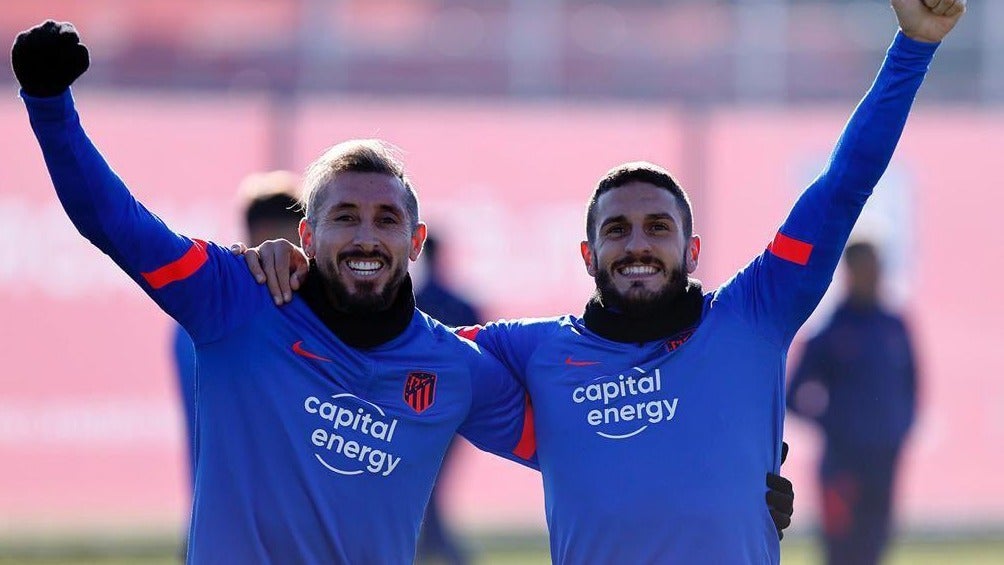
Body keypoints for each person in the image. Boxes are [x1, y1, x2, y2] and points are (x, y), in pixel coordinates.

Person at [244, 1, 963, 562]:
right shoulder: (528, 355)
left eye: (657, 228)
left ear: (694, 248)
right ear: (587, 254)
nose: (638, 245)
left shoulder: (754, 314)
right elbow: (385, 351)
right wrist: (306, 282)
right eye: (617, 231)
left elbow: (843, 186)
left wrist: (914, 47)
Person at [12, 24, 537, 562]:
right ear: (307, 235)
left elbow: (580, 437)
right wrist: (51, 108)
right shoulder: (234, 298)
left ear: (415, 242)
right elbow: (116, 223)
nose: (365, 237)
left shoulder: (455, 366)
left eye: (386, 220)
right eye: (344, 217)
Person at [787, 241, 918, 565]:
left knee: (874, 546)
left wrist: (898, 429)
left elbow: (912, 386)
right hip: (841, 465)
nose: (871, 276)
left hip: (883, 460)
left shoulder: (894, 326)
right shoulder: (831, 331)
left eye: (876, 268)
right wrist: (833, 423)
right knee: (842, 550)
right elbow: (793, 395)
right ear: (849, 272)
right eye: (864, 268)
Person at [173, 171, 303, 489]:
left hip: (219, 502)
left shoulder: (209, 303)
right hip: (248, 500)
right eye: (298, 232)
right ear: (268, 231)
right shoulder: (235, 305)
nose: (303, 246)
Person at [414, 236, 481, 565]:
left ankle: (443, 554)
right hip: (455, 411)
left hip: (422, 412)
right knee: (428, 490)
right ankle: (438, 552)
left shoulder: (415, 303)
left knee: (426, 489)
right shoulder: (460, 303)